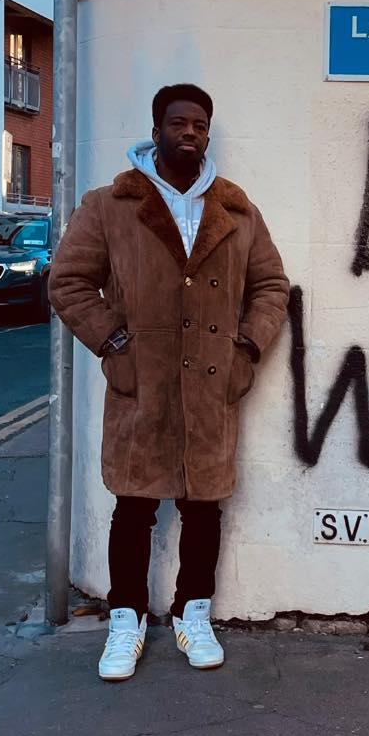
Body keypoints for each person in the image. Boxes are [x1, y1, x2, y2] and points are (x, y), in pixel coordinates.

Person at [49, 83, 288, 683]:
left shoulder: (235, 210)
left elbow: (271, 287)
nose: (190, 133)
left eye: (200, 126)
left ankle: (192, 611)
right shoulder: (110, 205)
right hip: (143, 384)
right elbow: (69, 281)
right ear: (155, 129)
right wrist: (113, 344)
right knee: (133, 506)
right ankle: (125, 617)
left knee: (203, 507)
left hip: (211, 384)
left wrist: (245, 349)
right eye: (179, 123)